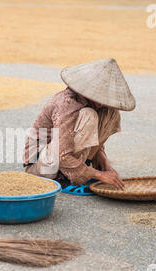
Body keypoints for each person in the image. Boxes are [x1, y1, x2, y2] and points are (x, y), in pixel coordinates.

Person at [23, 58, 136, 191]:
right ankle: (66, 175)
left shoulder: (100, 107)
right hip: (42, 165)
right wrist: (98, 175)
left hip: (64, 156)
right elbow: (62, 155)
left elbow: (95, 143)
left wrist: (105, 164)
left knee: (111, 113)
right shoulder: (66, 104)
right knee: (89, 115)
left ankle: (80, 168)